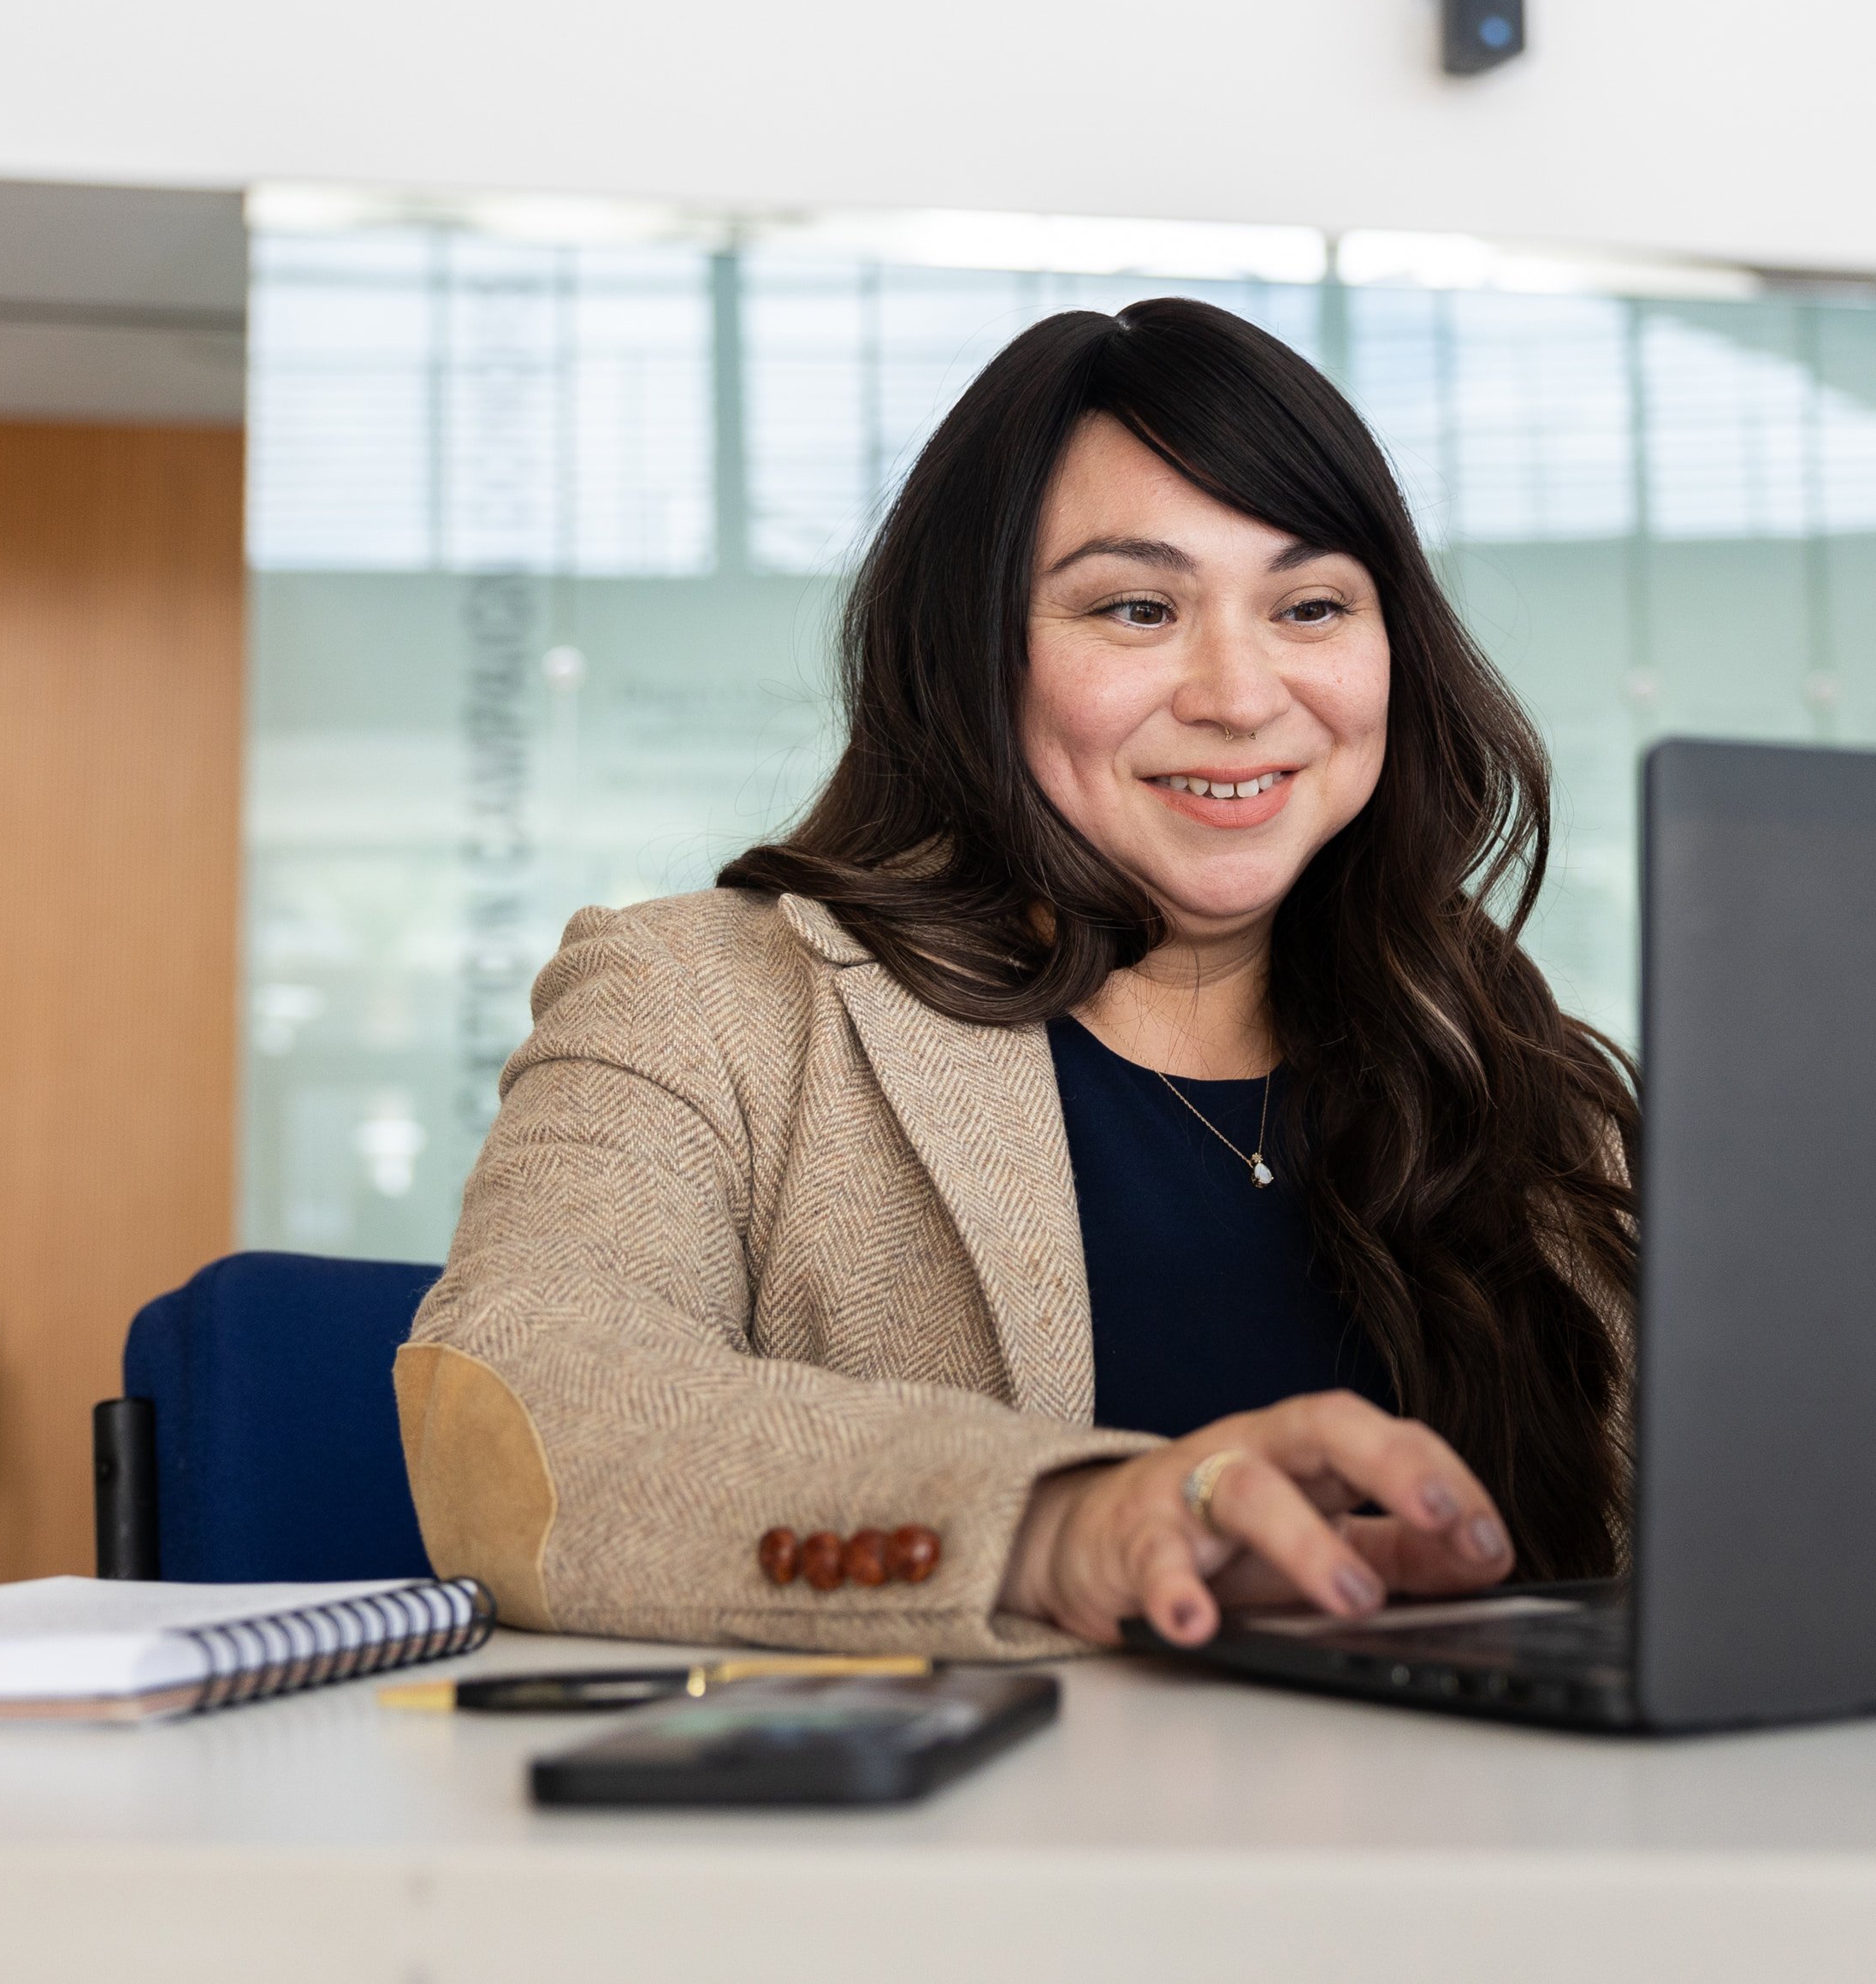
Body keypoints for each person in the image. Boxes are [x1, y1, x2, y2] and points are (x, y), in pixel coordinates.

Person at [395, 297, 1636, 1657]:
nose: (1239, 692)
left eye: (1313, 605)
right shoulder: (699, 1005)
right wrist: (1060, 1524)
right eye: (1138, 607)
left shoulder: (1515, 1072)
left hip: (1486, 1850)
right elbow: (523, 1412)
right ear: (979, 656)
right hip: (967, 1856)